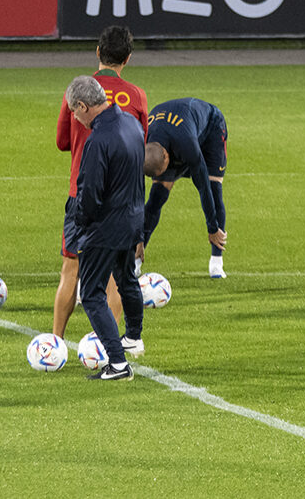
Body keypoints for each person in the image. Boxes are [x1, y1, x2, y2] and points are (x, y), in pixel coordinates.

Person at [51, 24, 148, 340]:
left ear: (97, 53)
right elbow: (140, 145)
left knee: (71, 270)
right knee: (115, 277)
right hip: (120, 200)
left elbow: (62, 142)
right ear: (128, 59)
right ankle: (108, 344)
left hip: (81, 193)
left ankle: (57, 342)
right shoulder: (136, 96)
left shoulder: (78, 92)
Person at [63, 75, 146, 381]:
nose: (74, 116)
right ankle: (132, 337)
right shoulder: (131, 124)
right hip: (133, 218)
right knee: (126, 279)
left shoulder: (98, 139)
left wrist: (81, 222)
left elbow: (91, 192)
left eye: (75, 110)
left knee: (93, 293)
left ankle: (119, 364)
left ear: (84, 106)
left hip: (106, 227)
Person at [141, 98, 226, 272]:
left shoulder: (187, 146)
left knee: (214, 187)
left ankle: (217, 260)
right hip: (176, 131)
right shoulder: (140, 140)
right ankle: (136, 260)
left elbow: (204, 188)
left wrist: (212, 227)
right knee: (157, 195)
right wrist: (137, 238)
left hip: (211, 127)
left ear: (167, 156)